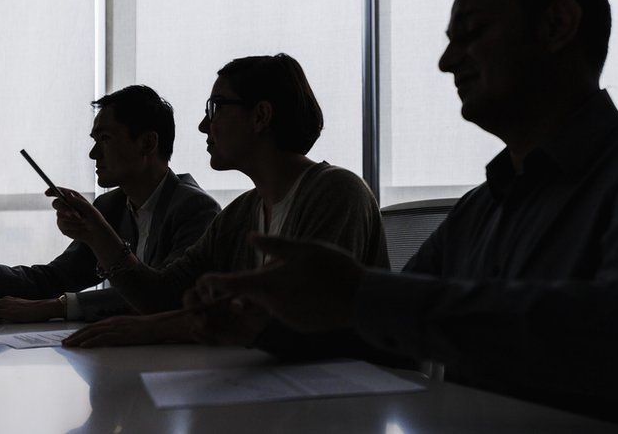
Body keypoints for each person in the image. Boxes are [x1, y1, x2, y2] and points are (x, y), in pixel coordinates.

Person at [192, 0, 618, 433]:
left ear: (556, 24)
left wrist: (362, 297)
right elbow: (384, 331)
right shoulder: (485, 205)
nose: (446, 61)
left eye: (471, 32)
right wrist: (268, 325)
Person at [46, 54, 389, 347]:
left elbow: (302, 316)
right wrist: (96, 234)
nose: (201, 125)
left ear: (260, 116)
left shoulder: (338, 192)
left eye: (216, 107)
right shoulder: (240, 213)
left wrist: (157, 328)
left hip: (346, 397)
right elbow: (162, 296)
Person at [0, 85, 220, 323]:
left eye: (104, 139)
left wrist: (55, 307)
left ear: (147, 143)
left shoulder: (195, 210)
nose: (92, 154)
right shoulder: (111, 206)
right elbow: (57, 277)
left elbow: (163, 298)